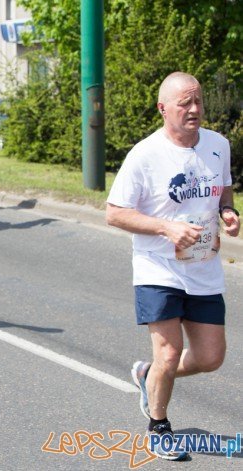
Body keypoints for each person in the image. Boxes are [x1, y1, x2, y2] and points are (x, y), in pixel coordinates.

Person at [106, 72, 239, 461]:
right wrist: (166, 227)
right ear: (163, 108)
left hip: (204, 267)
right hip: (157, 268)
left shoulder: (218, 144)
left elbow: (223, 187)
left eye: (198, 102)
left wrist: (228, 211)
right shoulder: (145, 155)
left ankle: (148, 377)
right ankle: (159, 426)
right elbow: (114, 214)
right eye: (185, 104)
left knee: (210, 358)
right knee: (169, 351)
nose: (195, 110)